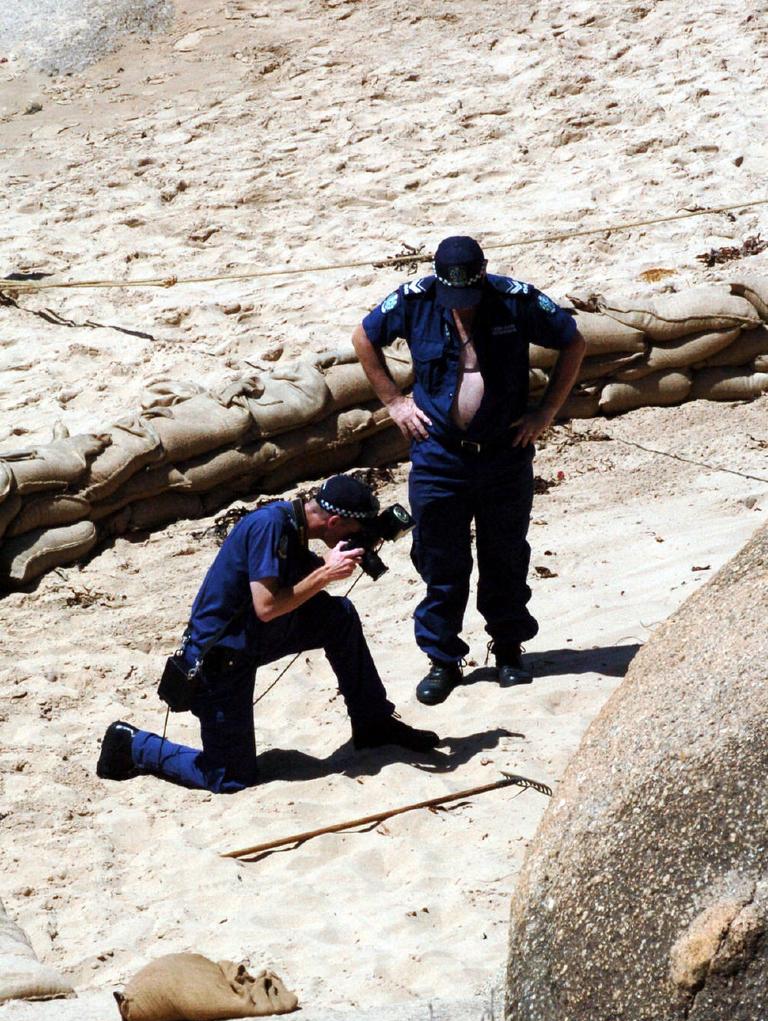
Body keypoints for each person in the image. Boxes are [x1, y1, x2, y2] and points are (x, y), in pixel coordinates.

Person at [352, 235, 585, 706]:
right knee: (440, 558)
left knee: (504, 553)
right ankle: (443, 658)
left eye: (470, 299)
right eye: (454, 301)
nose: (463, 309)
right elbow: (363, 337)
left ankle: (508, 648)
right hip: (439, 455)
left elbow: (573, 341)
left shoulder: (514, 299)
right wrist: (396, 403)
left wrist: (547, 411)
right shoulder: (415, 300)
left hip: (503, 453)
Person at [96, 475, 439, 793]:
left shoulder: (294, 523)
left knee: (339, 617)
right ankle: (133, 744)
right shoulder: (269, 526)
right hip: (220, 658)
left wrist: (326, 564)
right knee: (230, 778)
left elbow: (287, 587)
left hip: (258, 636)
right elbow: (267, 605)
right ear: (334, 522)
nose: (353, 540)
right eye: (354, 532)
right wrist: (326, 574)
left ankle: (373, 723)